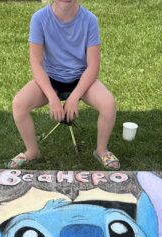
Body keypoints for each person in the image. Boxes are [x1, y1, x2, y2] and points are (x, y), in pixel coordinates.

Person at [8, 0, 120, 170]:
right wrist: (52, 97)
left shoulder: (90, 20)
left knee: (108, 104)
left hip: (81, 79)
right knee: (19, 104)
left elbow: (93, 66)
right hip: (50, 78)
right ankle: (32, 151)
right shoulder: (39, 18)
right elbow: (36, 63)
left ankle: (101, 150)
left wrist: (74, 97)